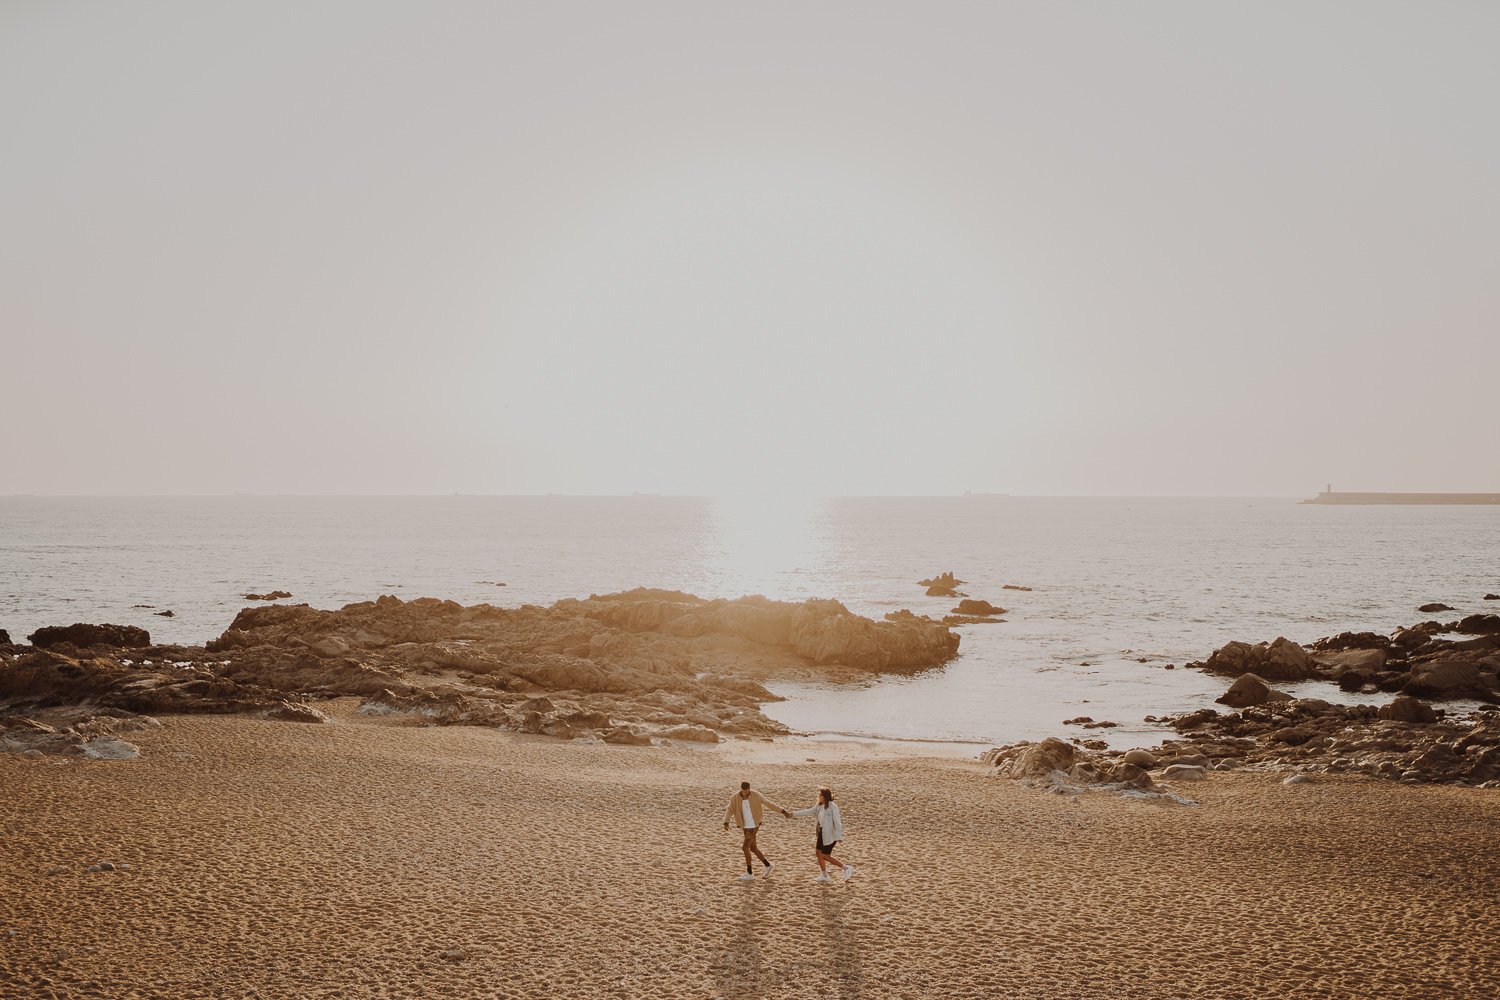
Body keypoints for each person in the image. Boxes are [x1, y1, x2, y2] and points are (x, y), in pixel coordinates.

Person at [723, 780, 791, 881]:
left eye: (746, 791)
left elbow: (769, 804)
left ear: (749, 789)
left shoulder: (756, 795)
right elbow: (730, 809)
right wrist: (726, 821)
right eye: (743, 791)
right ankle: (768, 865)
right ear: (741, 789)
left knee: (745, 847)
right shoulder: (735, 797)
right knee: (753, 849)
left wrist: (783, 811)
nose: (745, 793)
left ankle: (749, 872)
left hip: (754, 826)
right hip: (745, 826)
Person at [792, 787, 853, 882]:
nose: (819, 796)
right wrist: (793, 814)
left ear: (825, 796)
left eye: (820, 795)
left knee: (825, 856)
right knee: (818, 852)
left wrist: (839, 836)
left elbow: (837, 822)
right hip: (821, 833)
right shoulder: (819, 806)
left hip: (831, 835)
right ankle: (824, 875)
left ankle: (846, 868)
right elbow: (808, 811)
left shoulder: (833, 807)